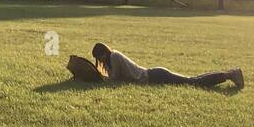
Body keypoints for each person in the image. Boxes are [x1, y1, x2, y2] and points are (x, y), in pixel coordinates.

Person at [91, 42, 243, 88]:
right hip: (154, 76)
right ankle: (229, 74)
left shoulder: (115, 56)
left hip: (155, 75)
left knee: (193, 82)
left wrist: (97, 78)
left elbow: (116, 78)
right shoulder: (111, 60)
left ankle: (230, 74)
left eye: (100, 57)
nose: (101, 60)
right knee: (192, 80)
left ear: (103, 52)